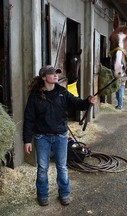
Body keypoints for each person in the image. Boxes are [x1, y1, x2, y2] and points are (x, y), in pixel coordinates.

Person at [23, 65, 96, 206]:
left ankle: (64, 194)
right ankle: (42, 195)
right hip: (41, 137)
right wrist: (27, 140)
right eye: (52, 73)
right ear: (44, 77)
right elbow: (29, 119)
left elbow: (78, 103)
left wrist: (88, 101)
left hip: (61, 136)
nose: (56, 75)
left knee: (62, 166)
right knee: (43, 167)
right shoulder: (35, 96)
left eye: (57, 73)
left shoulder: (62, 92)